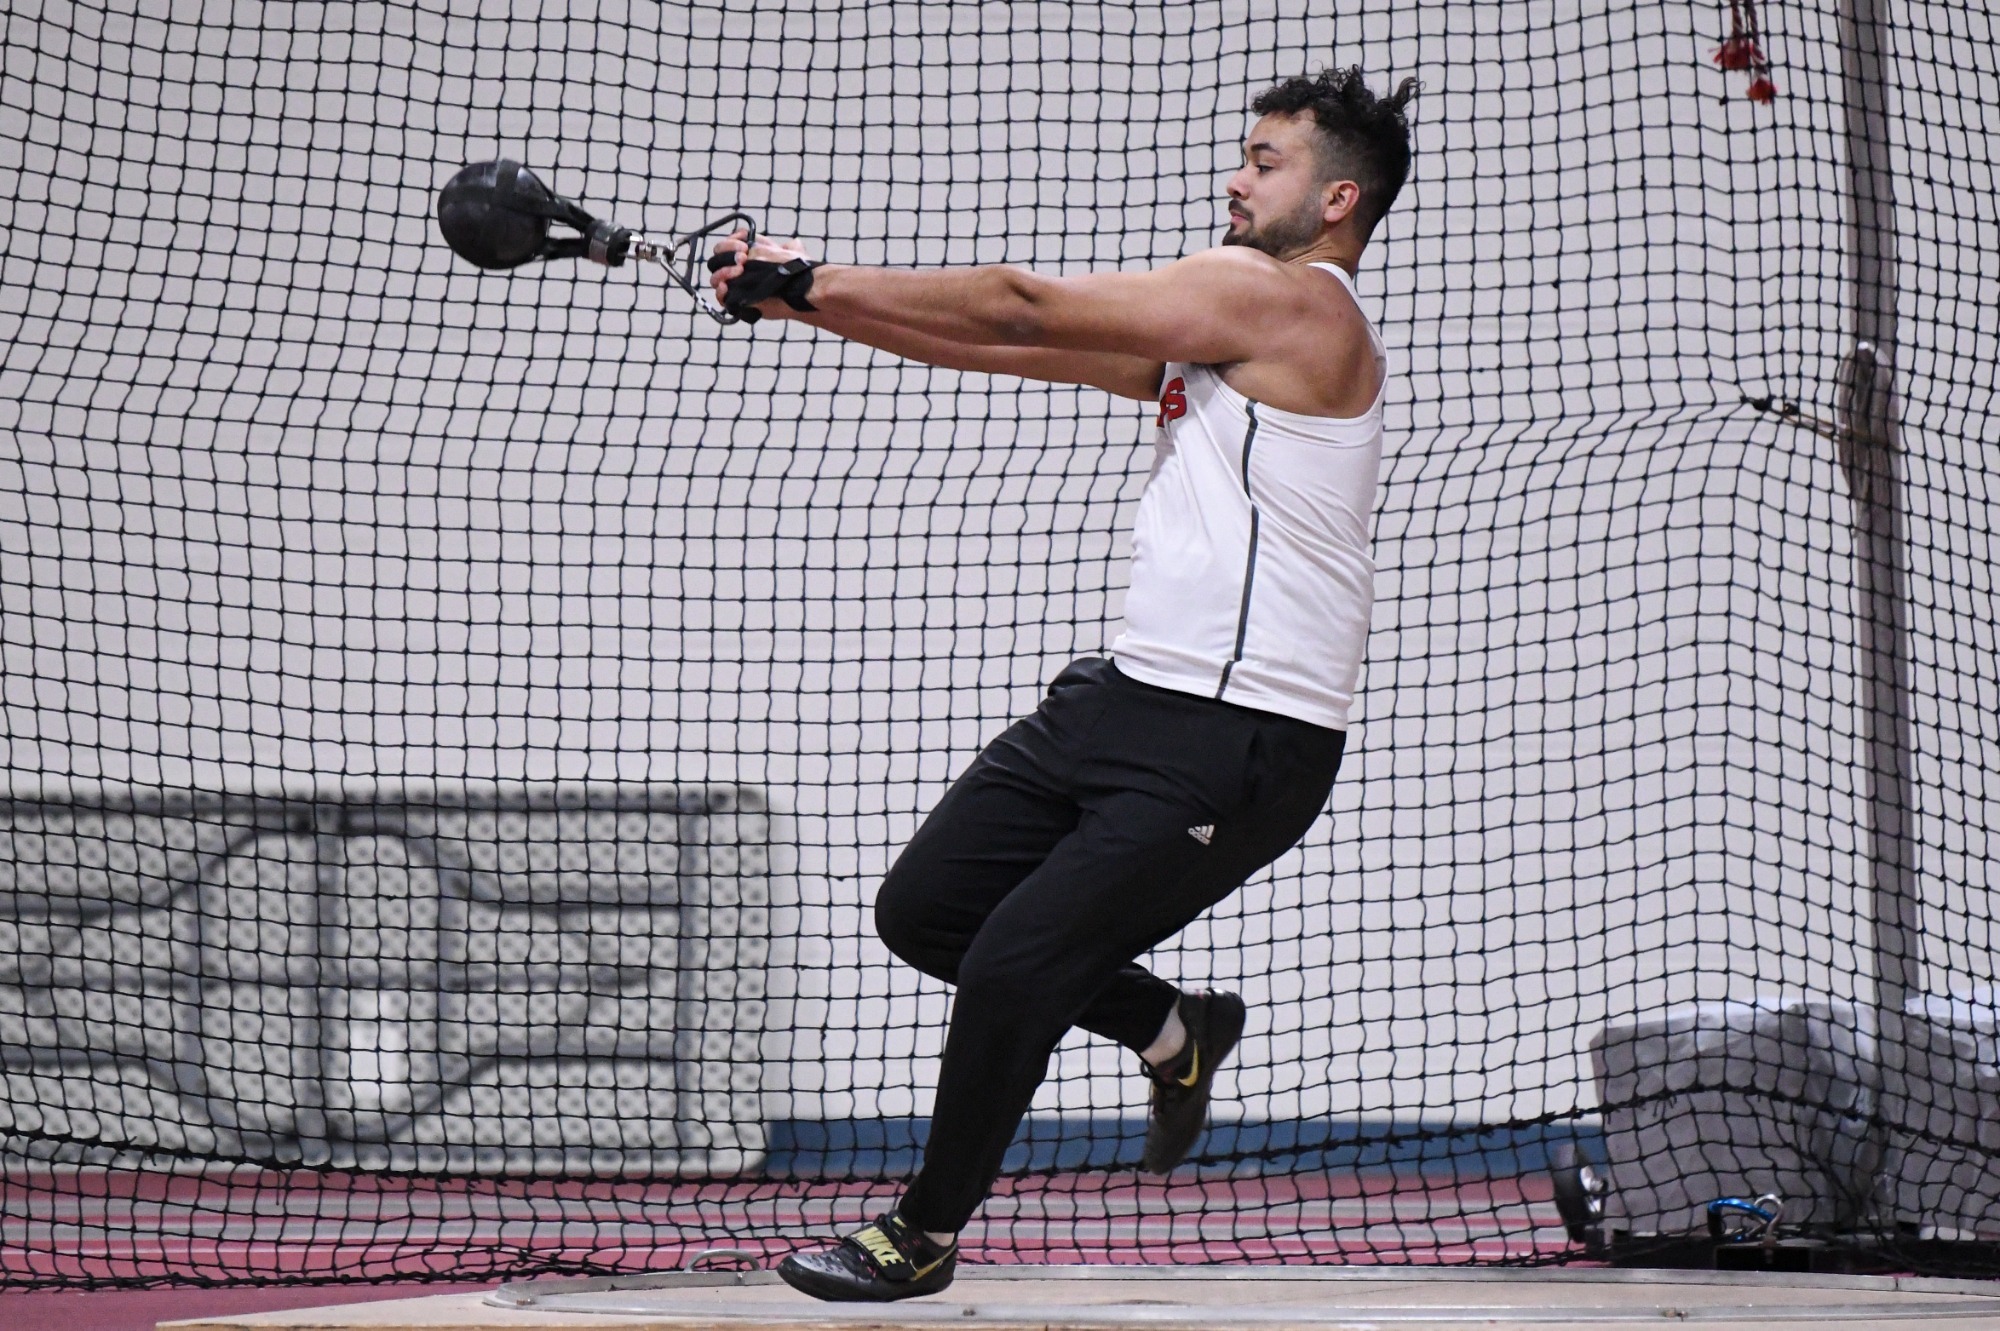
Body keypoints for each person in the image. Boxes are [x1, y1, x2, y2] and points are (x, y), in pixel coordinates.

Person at [710, 67, 1416, 1302]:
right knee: (927, 911)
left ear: (1336, 198)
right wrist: (804, 309)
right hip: (1124, 697)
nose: (1235, 179)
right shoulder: (1225, 336)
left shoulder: (1292, 304)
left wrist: (814, 274)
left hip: (1241, 736)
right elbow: (1012, 346)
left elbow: (1020, 299)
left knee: (1014, 964)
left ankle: (922, 1232)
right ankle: (1172, 1028)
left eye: (1264, 162)